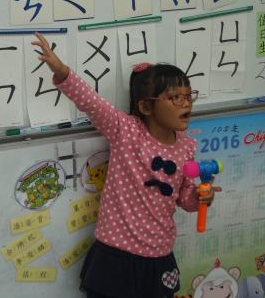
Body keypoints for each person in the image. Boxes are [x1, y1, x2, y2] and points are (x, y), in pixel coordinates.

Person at [32, 33, 220, 298]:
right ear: (146, 107)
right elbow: (89, 101)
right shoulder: (126, 131)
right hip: (116, 255)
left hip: (159, 255)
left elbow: (185, 198)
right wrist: (60, 69)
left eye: (189, 95)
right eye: (175, 97)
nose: (186, 102)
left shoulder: (186, 146)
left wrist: (201, 197)